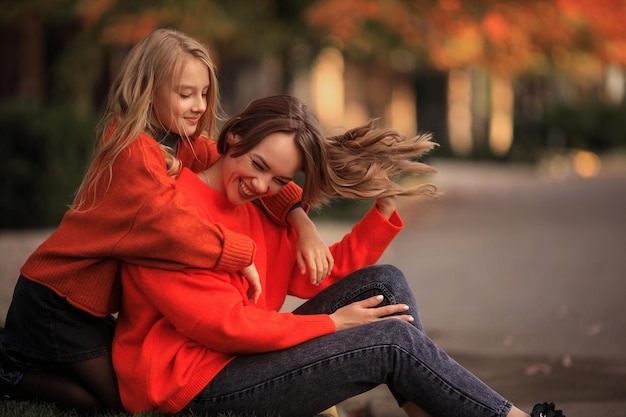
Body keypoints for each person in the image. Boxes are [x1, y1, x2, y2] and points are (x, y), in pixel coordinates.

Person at [112, 95, 566, 417]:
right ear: (233, 138)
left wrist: (381, 210)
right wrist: (334, 323)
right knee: (392, 340)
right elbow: (226, 327)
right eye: (258, 165)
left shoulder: (259, 208)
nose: (262, 186)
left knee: (384, 283)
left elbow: (316, 280)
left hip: (239, 360)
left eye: (277, 179)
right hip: (189, 387)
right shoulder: (173, 210)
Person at [0, 30, 333, 412]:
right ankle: (11, 373)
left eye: (204, 93)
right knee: (116, 404)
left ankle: (25, 362)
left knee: (111, 395)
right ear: (149, 88)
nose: (197, 105)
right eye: (184, 93)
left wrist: (300, 220)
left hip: (84, 305)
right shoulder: (133, 153)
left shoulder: (182, 142)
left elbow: (246, 163)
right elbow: (172, 227)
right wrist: (242, 254)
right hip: (54, 298)